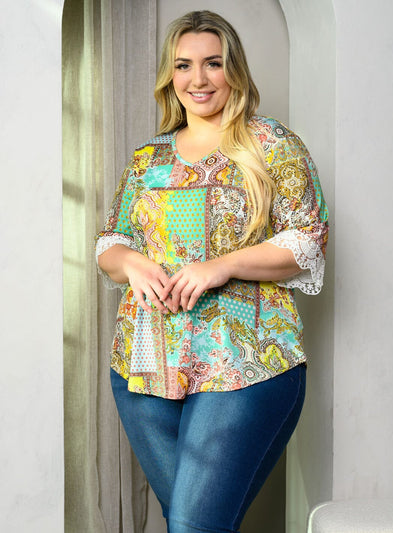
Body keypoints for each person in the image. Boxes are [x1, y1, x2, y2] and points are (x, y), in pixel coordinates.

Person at [96, 10, 328, 533]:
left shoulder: (272, 144)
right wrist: (131, 261)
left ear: (234, 69)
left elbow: (308, 240)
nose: (197, 79)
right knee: (193, 521)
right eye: (183, 65)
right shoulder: (148, 158)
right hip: (145, 362)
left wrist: (221, 266)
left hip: (244, 360)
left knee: (194, 525)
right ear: (170, 74)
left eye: (213, 63)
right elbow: (110, 241)